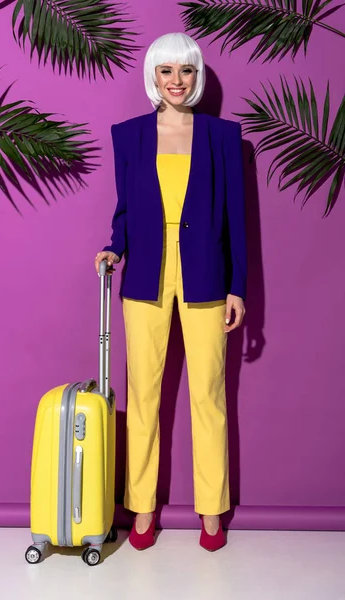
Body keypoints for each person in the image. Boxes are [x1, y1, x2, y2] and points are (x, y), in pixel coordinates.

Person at [95, 32, 247, 552]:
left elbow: (237, 223)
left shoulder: (223, 137)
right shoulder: (128, 135)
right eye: (166, 71)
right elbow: (124, 210)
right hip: (147, 277)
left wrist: (237, 287)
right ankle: (141, 509)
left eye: (185, 71)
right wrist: (115, 248)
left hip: (205, 272)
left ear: (197, 76)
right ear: (152, 77)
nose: (176, 81)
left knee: (208, 395)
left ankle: (211, 510)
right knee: (143, 396)